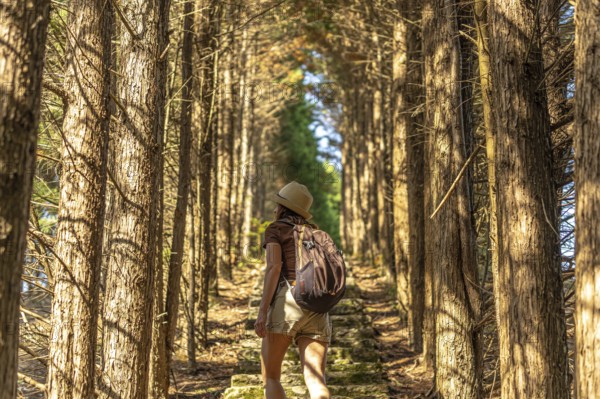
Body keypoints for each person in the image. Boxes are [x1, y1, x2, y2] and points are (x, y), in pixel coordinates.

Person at [254, 181, 332, 399]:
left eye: (277, 205)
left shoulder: (276, 229)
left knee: (271, 377)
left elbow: (274, 267)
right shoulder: (318, 235)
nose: (274, 208)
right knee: (316, 379)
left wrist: (262, 312)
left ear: (281, 208)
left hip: (288, 302)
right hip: (318, 306)